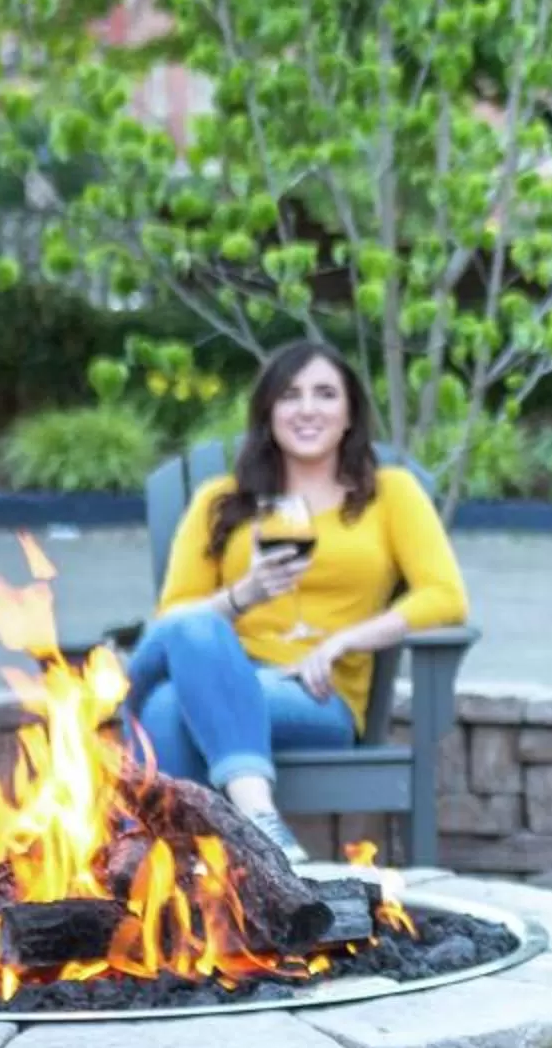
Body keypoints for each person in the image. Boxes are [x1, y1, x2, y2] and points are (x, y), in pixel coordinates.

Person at [143, 341, 469, 864]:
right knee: (189, 640)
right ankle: (254, 823)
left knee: (160, 705)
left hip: (316, 692)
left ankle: (185, 871)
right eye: (290, 395)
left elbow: (445, 596)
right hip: (221, 671)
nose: (308, 409)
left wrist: (347, 639)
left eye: (325, 394)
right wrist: (244, 595)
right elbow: (175, 618)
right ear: (268, 412)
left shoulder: (391, 494)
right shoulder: (218, 500)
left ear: (349, 414)